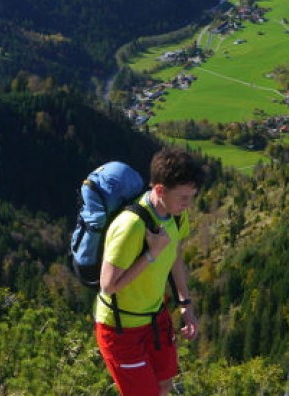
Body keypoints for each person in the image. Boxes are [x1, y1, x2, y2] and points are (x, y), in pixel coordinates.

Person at [95, 148, 206, 396]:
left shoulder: (176, 216)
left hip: (155, 317)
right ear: (159, 190)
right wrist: (151, 254)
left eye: (192, 196)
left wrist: (185, 303)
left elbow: (175, 256)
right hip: (121, 328)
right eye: (184, 197)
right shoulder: (131, 225)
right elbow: (108, 285)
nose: (188, 204)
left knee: (164, 383)